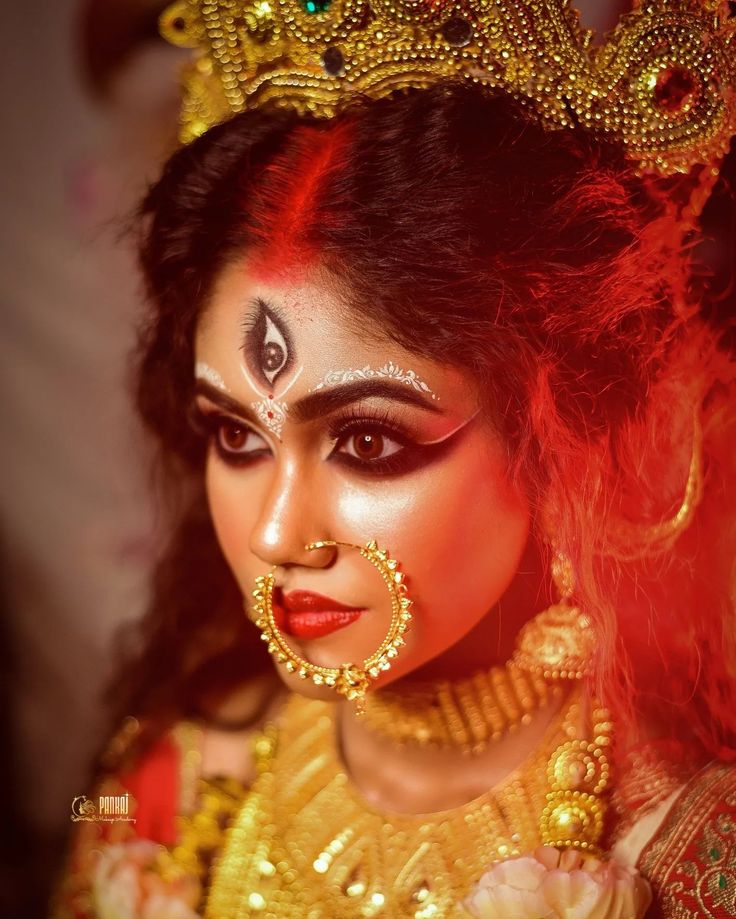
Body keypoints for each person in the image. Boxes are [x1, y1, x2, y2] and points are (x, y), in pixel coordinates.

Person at [53, 0, 736, 916]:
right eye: (237, 436)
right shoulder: (169, 787)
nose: (277, 531)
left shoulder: (683, 848)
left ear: (562, 431)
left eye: (367, 442)